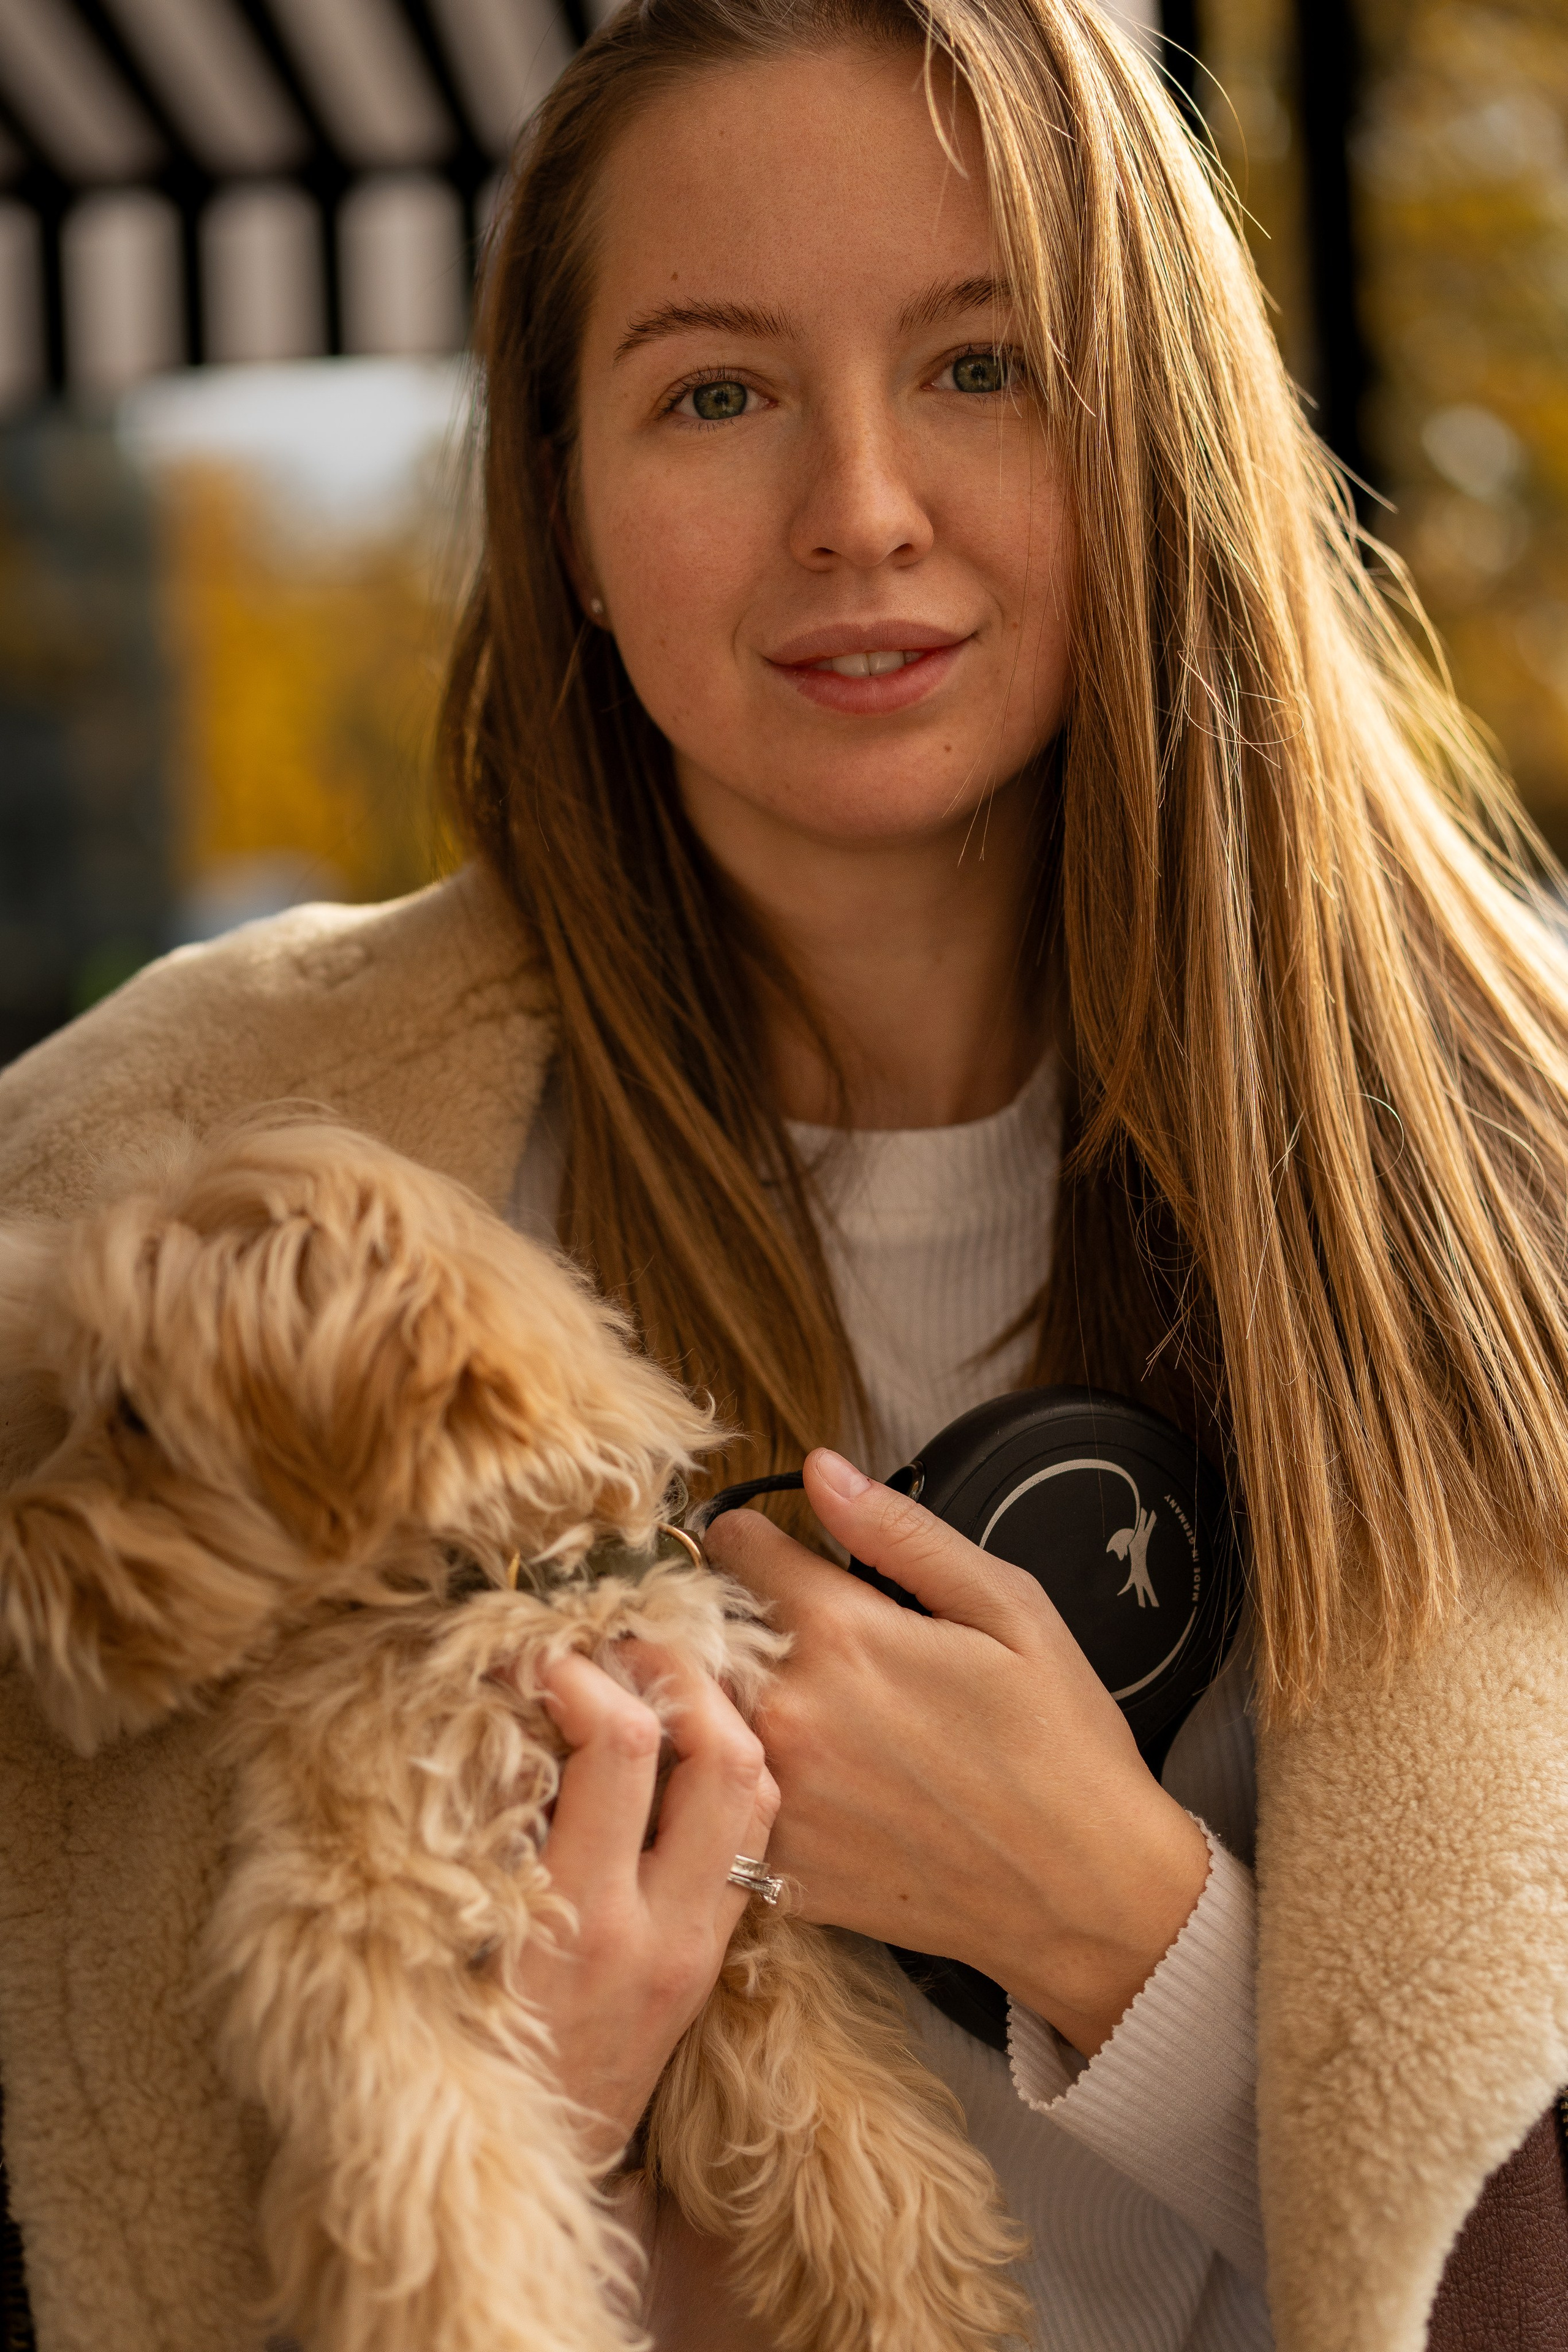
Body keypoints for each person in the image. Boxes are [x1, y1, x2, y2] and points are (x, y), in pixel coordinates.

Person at [2, 1, 1567, 2347]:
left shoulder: (1526, 1165)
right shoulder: (158, 1217)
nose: (858, 502)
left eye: (983, 361)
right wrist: (511, 2115)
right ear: (566, 512)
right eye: (715, 390)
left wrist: (1134, 1946)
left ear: (1159, 426)